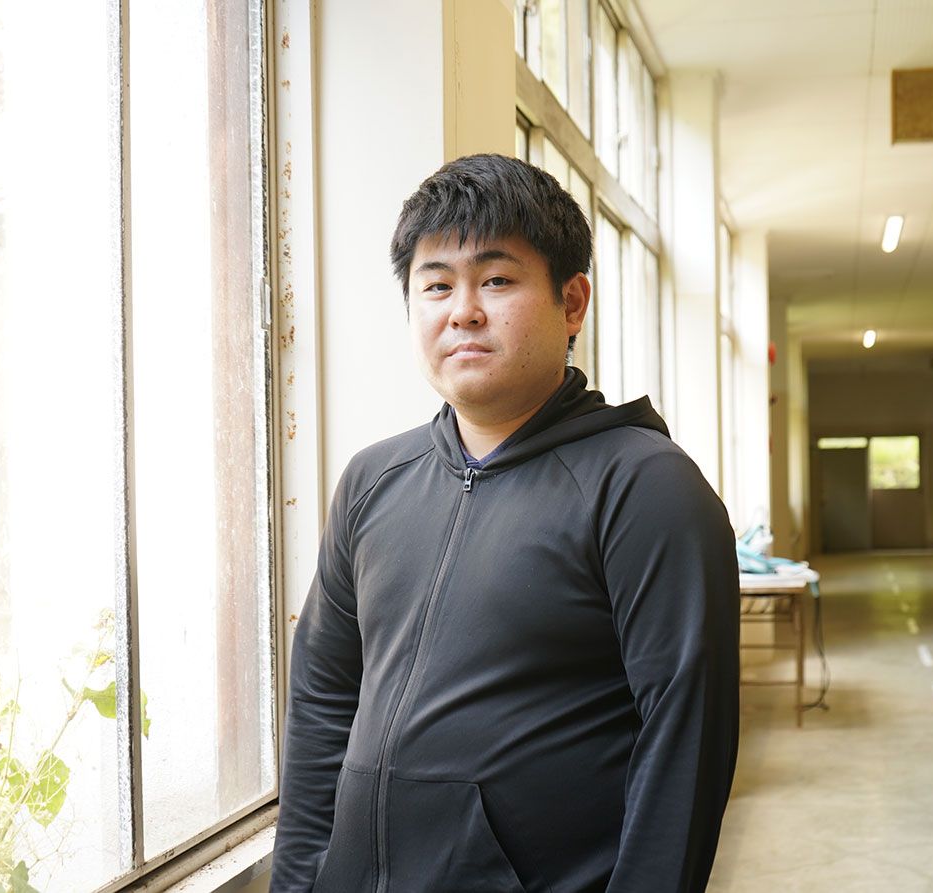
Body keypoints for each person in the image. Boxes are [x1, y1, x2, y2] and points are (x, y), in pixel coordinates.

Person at [270, 153, 739, 893]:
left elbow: (686, 740)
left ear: (572, 303)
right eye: (435, 285)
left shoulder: (644, 486)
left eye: (496, 280)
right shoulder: (373, 480)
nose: (463, 311)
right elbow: (324, 700)